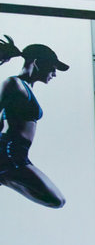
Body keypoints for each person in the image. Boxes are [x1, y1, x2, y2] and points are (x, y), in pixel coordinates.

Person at [0, 42, 69, 208]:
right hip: (9, 155)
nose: (54, 74)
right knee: (57, 200)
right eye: (53, 68)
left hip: (19, 156)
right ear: (37, 63)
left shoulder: (25, 88)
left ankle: (3, 176)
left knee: (58, 201)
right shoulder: (13, 84)